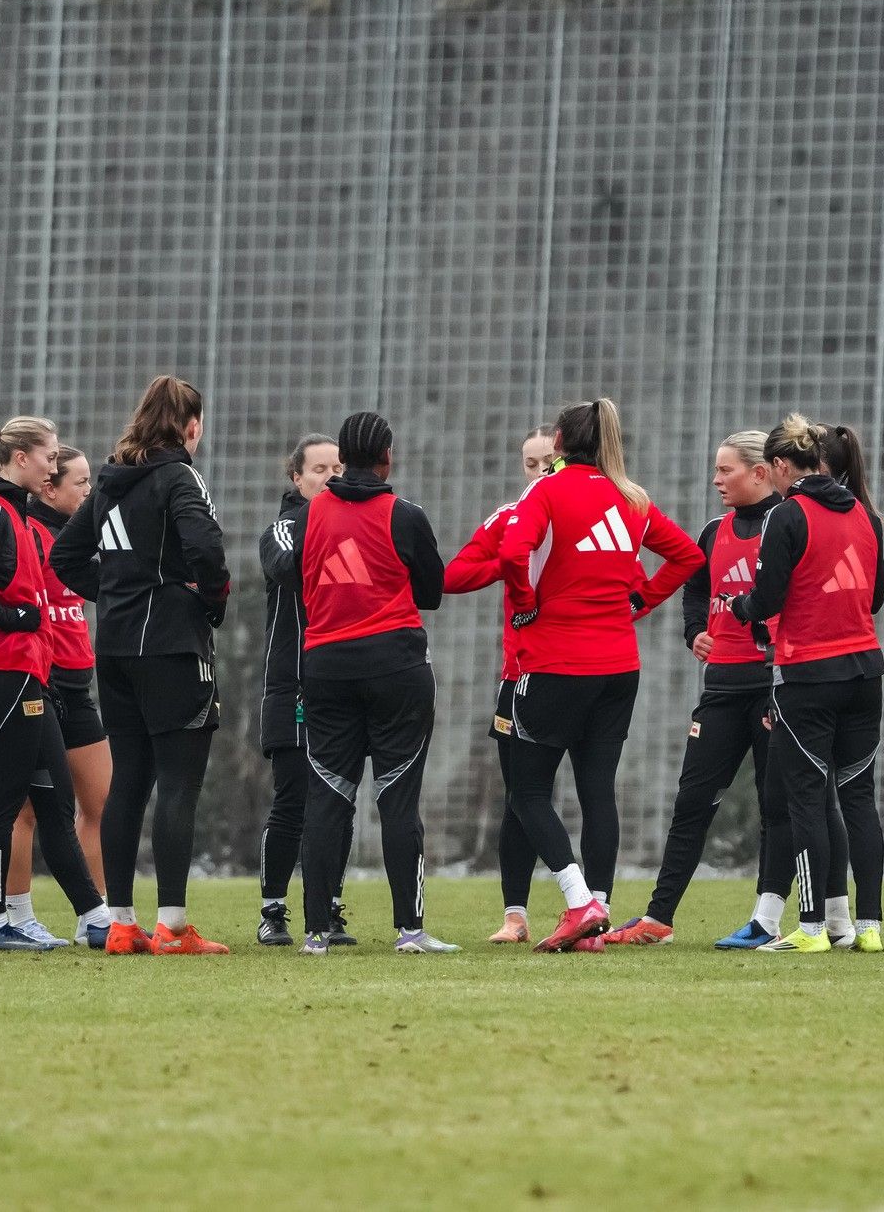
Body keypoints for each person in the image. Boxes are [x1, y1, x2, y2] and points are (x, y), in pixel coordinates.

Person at [495, 398, 705, 953]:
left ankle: (578, 900)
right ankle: (601, 916)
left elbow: (514, 550)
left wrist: (524, 604)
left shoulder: (546, 489)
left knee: (527, 790)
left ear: (560, 440)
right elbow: (687, 557)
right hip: (619, 667)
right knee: (597, 791)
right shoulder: (630, 497)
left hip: (558, 661)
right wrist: (639, 603)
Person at [51, 376, 232, 956]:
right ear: (189, 426)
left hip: (118, 649)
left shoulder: (110, 480)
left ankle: (122, 924)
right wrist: (208, 602)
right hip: (173, 647)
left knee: (129, 780)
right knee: (180, 781)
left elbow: (65, 556)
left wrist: (116, 592)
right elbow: (205, 548)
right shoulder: (180, 476)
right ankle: (174, 928)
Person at [603, 431, 796, 949]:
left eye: (725, 470)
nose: (716, 480)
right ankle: (658, 918)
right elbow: (693, 580)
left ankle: (769, 920)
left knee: (774, 805)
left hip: (774, 684)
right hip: (722, 687)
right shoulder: (714, 532)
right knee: (692, 801)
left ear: (759, 472)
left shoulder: (788, 524)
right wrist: (694, 631)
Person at [275, 412, 455, 955]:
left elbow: (286, 574)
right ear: (386, 458)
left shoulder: (305, 518)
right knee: (399, 800)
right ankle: (411, 930)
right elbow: (432, 592)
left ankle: (314, 934)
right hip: (397, 668)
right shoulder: (406, 515)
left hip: (325, 667)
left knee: (328, 798)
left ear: (342, 460)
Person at [0, 417, 108, 952]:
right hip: (0, 671)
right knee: (4, 801)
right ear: (19, 458)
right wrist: (11, 618)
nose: (53, 466)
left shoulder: (10, 510)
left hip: (26, 675)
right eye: (49, 456)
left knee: (55, 801)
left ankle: (95, 917)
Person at [724, 414, 884, 954]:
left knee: (806, 800)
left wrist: (741, 607)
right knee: (858, 799)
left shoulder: (789, 514)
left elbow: (767, 598)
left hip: (807, 674)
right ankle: (868, 928)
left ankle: (813, 927)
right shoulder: (867, 514)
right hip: (865, 671)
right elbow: (875, 595)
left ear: (778, 466)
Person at [441, 425, 557, 946]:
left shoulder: (584, 514)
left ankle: (594, 901)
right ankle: (516, 914)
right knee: (520, 796)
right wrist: (507, 565)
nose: (539, 471)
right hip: (519, 676)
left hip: (577, 671)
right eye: (530, 463)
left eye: (547, 460)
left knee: (595, 791)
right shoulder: (510, 518)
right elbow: (453, 574)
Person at [3, 444, 115, 948]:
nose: (88, 491)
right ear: (50, 487)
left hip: (78, 687)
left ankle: (102, 917)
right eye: (81, 483)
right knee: (24, 810)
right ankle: (15, 914)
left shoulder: (74, 541)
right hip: (40, 685)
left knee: (101, 804)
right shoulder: (29, 535)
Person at [253, 433, 357, 946]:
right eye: (320, 469)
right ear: (297, 478)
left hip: (342, 684)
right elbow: (289, 567)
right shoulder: (283, 528)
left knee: (339, 799)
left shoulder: (358, 527)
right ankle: (273, 908)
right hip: (293, 682)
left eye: (339, 468)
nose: (331, 477)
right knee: (292, 797)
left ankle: (331, 905)